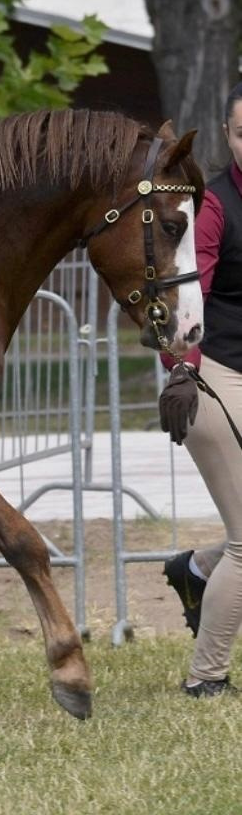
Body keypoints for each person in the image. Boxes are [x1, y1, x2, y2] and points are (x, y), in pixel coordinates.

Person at [160, 81, 242, 697]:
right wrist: (181, 369)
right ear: (226, 134)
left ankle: (194, 570)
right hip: (212, 374)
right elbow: (191, 294)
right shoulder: (212, 204)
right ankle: (206, 679)